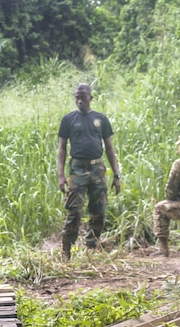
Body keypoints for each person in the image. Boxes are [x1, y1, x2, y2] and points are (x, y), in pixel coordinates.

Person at [57, 83, 121, 260]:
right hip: (77, 169)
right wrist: (61, 175)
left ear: (90, 98)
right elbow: (62, 148)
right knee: (74, 211)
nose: (79, 101)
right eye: (76, 97)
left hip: (97, 169)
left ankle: (91, 247)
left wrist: (116, 175)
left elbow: (109, 148)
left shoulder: (101, 119)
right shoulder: (68, 119)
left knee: (98, 210)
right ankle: (66, 250)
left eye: (83, 97)